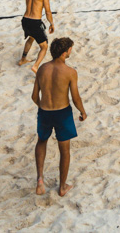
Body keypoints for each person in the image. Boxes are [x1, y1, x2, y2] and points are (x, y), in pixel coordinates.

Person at [32, 37, 86, 197]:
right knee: (64, 150)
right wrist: (82, 111)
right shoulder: (70, 72)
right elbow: (76, 97)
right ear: (65, 53)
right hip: (62, 113)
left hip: (44, 111)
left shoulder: (42, 69)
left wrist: (43, 108)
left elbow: (34, 96)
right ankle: (62, 187)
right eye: (70, 49)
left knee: (41, 142)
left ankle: (40, 180)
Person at [20, 0, 55, 73]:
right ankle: (35, 66)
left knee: (31, 37)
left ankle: (23, 59)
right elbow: (47, 11)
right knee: (44, 47)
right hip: (35, 22)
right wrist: (51, 23)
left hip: (25, 20)